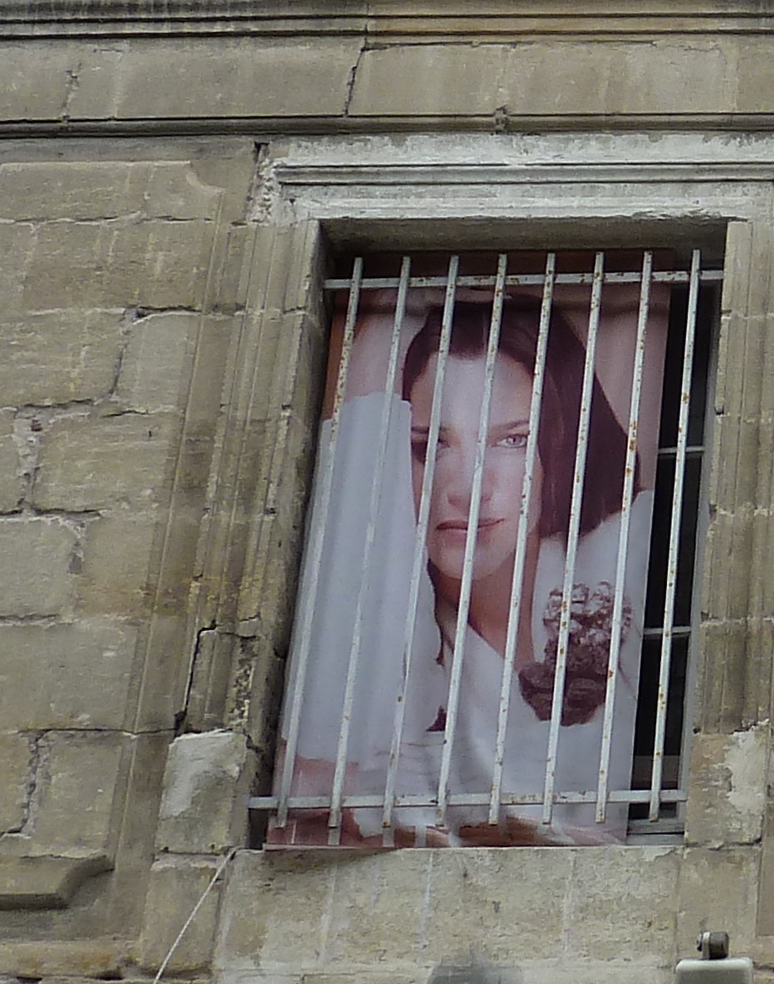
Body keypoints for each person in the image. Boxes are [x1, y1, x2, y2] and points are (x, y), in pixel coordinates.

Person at [273, 274, 663, 846]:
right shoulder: (387, 626)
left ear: (556, 448)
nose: (467, 487)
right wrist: (393, 306)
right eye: (429, 445)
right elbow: (316, 777)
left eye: (510, 441)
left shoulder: (621, 548)